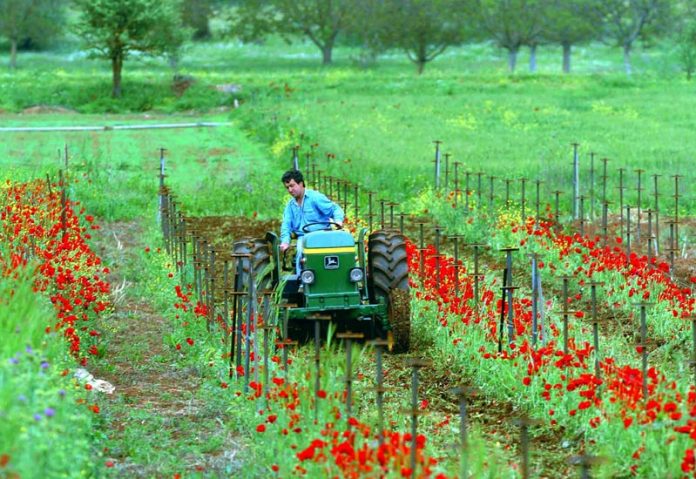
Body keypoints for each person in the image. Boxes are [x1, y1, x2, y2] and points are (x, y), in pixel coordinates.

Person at [279, 169, 345, 274]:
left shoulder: (315, 198)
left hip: (322, 234)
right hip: (304, 237)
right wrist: (285, 242)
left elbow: (335, 209)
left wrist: (338, 221)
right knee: (300, 253)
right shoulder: (290, 206)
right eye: (287, 188)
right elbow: (286, 225)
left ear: (301, 183)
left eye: (292, 186)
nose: (290, 190)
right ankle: (303, 280)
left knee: (334, 255)